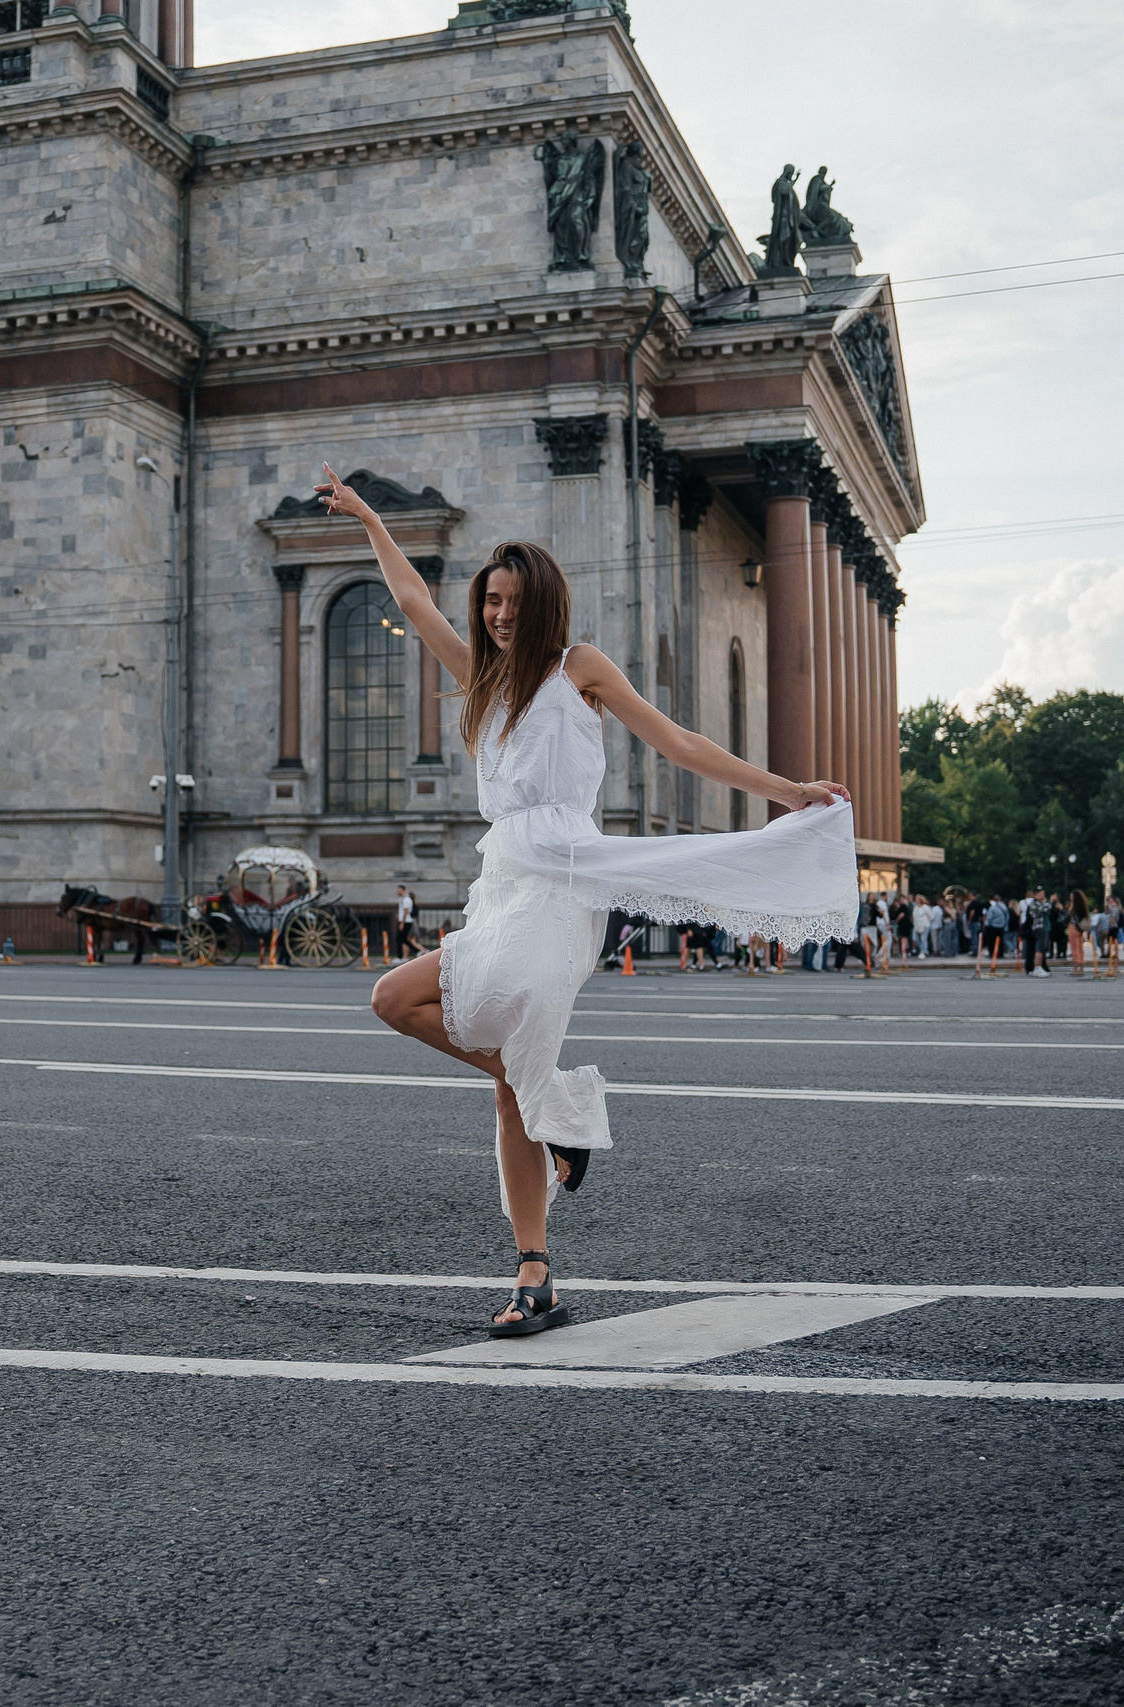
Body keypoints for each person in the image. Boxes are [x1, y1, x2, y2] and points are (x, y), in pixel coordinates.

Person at [324, 468, 855, 1341]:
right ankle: (538, 1244)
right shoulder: (482, 679)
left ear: (543, 602)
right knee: (414, 1013)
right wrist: (368, 517)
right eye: (490, 600)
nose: (498, 614)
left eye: (512, 600)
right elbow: (414, 600)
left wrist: (787, 791)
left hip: (566, 886)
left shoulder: (579, 670)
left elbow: (677, 741)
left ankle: (547, 1142)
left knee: (505, 1058)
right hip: (503, 886)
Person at [395, 884, 421, 958]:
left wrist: (402, 923)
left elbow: (406, 911)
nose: (397, 891)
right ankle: (417, 951)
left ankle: (400, 957)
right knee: (402, 939)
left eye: (399, 890)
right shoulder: (403, 899)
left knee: (400, 939)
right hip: (404, 921)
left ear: (403, 890)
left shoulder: (406, 899)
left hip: (406, 921)